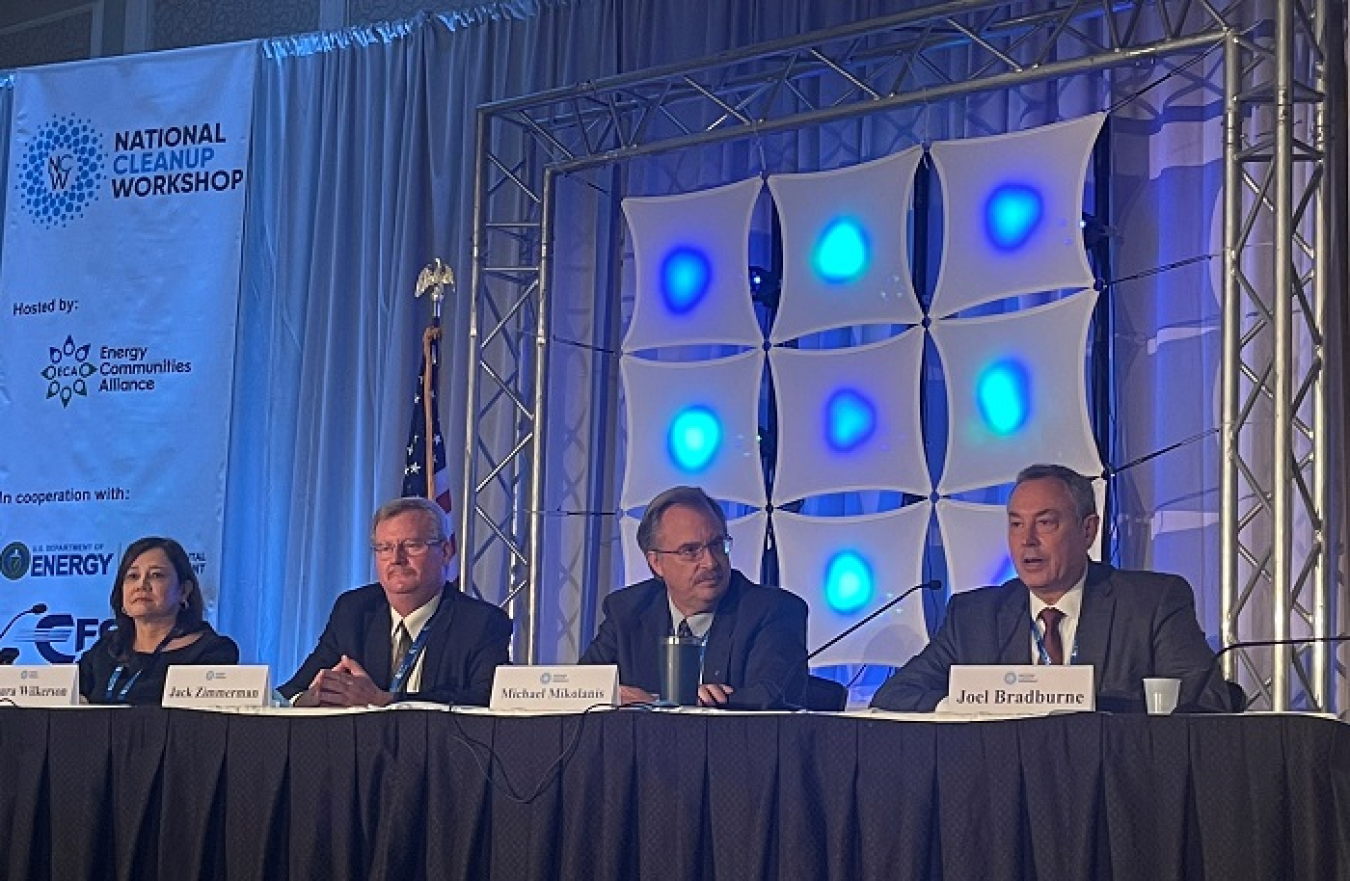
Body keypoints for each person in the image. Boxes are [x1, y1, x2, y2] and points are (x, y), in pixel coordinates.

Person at [871, 463, 1234, 713]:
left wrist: (1084, 706)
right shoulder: (974, 617)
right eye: (1015, 524)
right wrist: (966, 705)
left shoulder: (1150, 605)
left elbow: (1207, 703)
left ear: (1088, 530)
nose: (1026, 541)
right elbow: (895, 694)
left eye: (1045, 523)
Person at [580, 485, 808, 709]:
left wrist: (661, 704)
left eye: (717, 545)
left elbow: (773, 697)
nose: (710, 562)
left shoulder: (774, 611)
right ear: (656, 562)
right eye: (690, 551)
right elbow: (581, 689)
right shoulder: (627, 611)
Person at [279, 496, 511, 707]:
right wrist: (310, 699)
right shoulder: (353, 610)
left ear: (446, 552)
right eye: (385, 548)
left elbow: (486, 701)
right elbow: (292, 691)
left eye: (411, 546)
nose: (396, 559)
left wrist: (385, 700)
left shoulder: (480, 622)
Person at [79, 536, 239, 705]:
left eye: (156, 575)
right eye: (133, 576)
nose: (141, 585)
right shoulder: (107, 649)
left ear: (184, 591)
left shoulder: (212, 652)